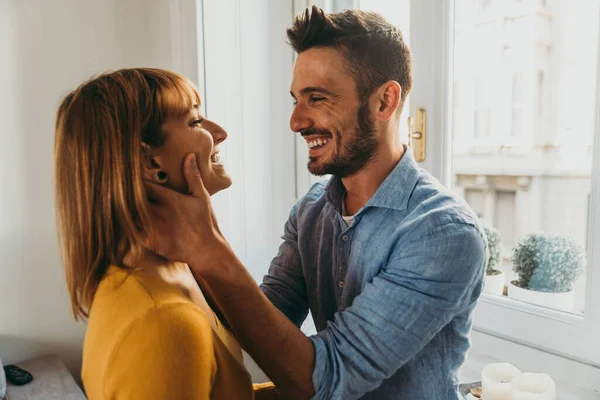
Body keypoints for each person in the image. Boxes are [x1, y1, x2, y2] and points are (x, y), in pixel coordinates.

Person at [145, 6, 487, 400]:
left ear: (384, 102)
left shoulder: (442, 233)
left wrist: (209, 248)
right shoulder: (312, 210)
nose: (296, 121)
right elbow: (259, 319)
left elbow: (326, 379)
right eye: (296, 99)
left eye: (317, 98)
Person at [54, 68, 279, 399]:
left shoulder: (170, 269)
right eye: (195, 122)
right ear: (148, 163)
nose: (221, 132)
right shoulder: (164, 323)